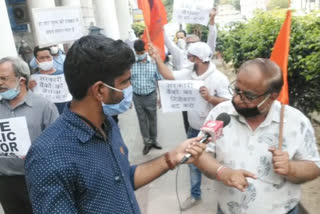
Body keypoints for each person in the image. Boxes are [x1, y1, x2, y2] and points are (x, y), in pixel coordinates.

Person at [24, 35, 211, 213]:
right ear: (100, 90)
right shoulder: (48, 156)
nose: (129, 87)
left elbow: (122, 179)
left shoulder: (107, 125)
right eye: (125, 82)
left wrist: (171, 158)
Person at [195, 58, 320, 214]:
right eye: (236, 90)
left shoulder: (296, 122)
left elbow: (314, 167)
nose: (238, 99)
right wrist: (223, 172)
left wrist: (291, 168)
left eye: (249, 96)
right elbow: (199, 153)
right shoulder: (220, 114)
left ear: (272, 96)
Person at [150, 42, 231, 210]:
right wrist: (157, 58)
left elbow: (228, 102)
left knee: (222, 161)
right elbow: (169, 76)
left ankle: (229, 193)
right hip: (195, 129)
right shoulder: (189, 73)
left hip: (216, 132)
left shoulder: (218, 79)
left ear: (199, 59)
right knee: (194, 163)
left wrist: (210, 98)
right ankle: (195, 195)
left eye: (191, 57)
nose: (188, 59)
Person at [0, 56, 59, 214]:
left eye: (3, 78)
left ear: (21, 80)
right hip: (6, 182)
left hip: (39, 179)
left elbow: (58, 145)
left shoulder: (44, 106)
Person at [131, 39, 163, 155]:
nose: (140, 55)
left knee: (152, 118)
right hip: (137, 96)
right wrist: (128, 98)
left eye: (142, 52)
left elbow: (159, 80)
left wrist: (161, 97)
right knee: (142, 120)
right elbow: (128, 81)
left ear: (146, 50)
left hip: (151, 96)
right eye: (138, 53)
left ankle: (154, 140)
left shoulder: (154, 63)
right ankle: (147, 142)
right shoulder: (131, 64)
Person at [29, 46, 68, 114]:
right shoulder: (33, 79)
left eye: (48, 57)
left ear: (52, 57)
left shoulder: (63, 75)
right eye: (42, 58)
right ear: (36, 60)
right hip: (44, 114)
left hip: (63, 113)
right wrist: (29, 88)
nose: (45, 60)